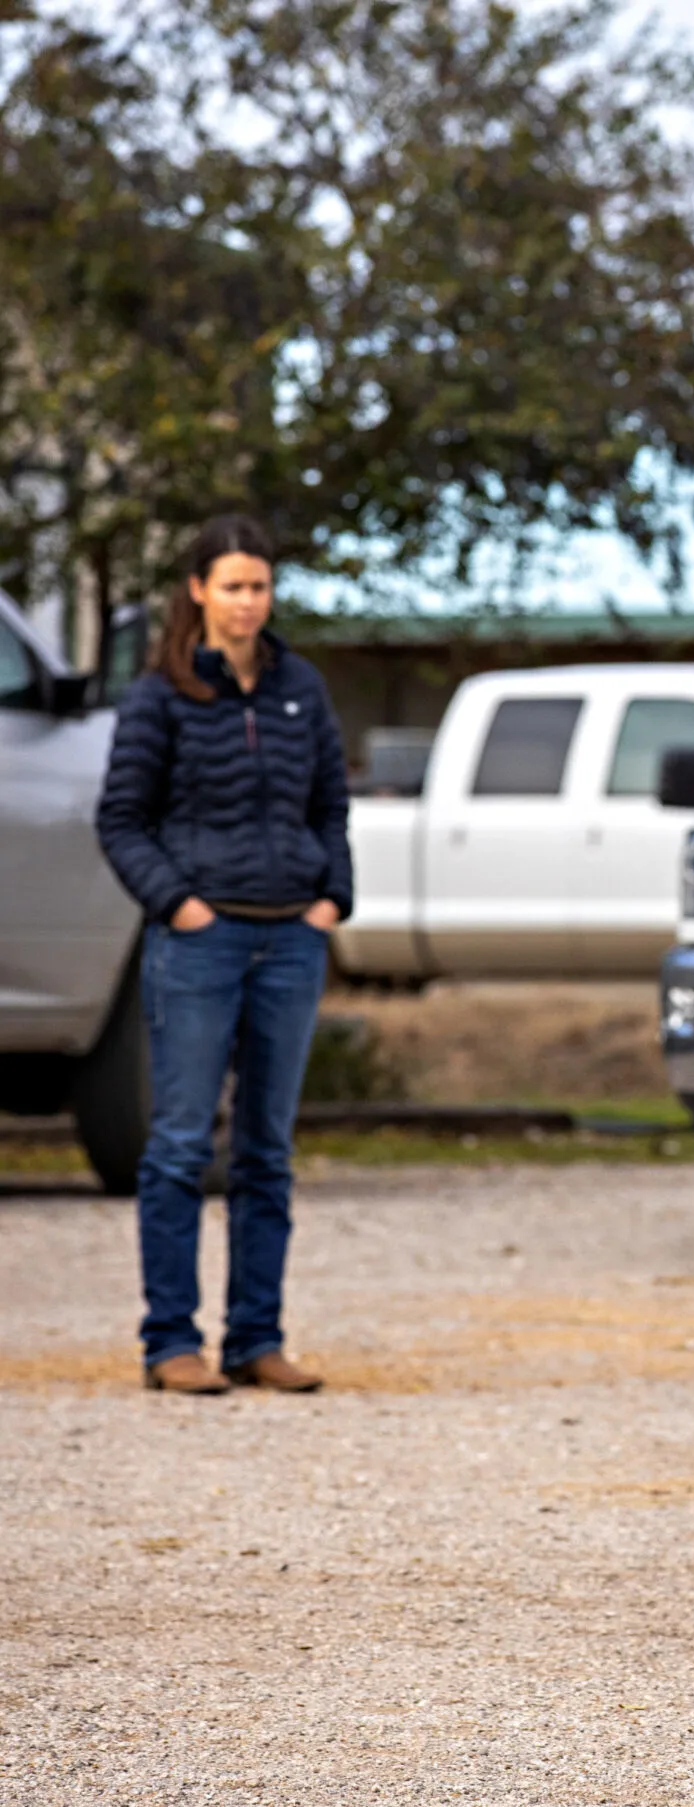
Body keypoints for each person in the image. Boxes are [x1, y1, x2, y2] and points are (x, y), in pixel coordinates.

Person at [93, 515, 352, 1395]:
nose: (250, 602)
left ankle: (257, 1337)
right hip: (202, 942)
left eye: (262, 586)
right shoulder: (160, 696)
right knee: (176, 1145)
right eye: (235, 586)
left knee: (267, 1151)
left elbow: (331, 806)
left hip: (291, 938)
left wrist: (331, 899)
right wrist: (182, 905)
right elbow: (120, 819)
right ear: (199, 590)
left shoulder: (299, 687)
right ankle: (171, 1340)